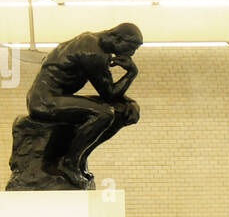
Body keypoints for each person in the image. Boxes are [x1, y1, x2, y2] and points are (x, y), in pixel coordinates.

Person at [25, 23, 143, 188]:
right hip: (44, 101)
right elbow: (109, 94)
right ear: (116, 38)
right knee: (104, 114)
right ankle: (68, 162)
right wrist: (131, 73)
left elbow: (110, 93)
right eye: (131, 47)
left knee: (123, 111)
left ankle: (80, 157)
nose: (131, 53)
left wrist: (129, 102)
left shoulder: (92, 42)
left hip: (57, 97)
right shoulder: (93, 52)